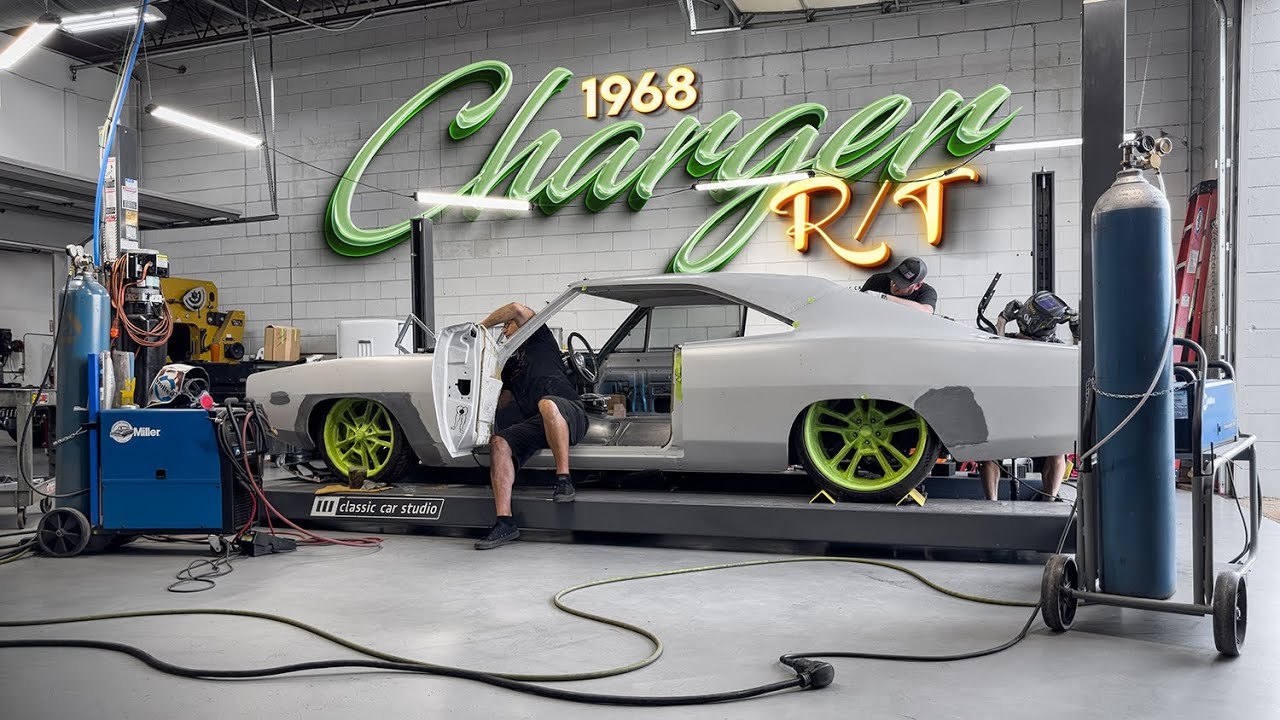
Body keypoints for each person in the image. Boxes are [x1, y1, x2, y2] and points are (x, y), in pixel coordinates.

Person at [473, 302, 588, 550]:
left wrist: (479, 329)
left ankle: (564, 480)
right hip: (539, 423)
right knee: (499, 443)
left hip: (569, 413)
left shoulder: (538, 338)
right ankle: (504, 522)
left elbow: (516, 308)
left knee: (547, 404)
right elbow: (500, 402)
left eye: (507, 325)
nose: (504, 330)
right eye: (503, 327)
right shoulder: (508, 365)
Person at [979, 293, 1079, 502]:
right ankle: (991, 503)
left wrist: (1078, 335)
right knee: (987, 448)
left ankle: (1049, 502)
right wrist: (1001, 321)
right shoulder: (1005, 341)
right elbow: (992, 355)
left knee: (1058, 448)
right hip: (1006, 417)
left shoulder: (1056, 347)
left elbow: (1077, 364)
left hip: (1041, 419)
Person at [860, 256, 937, 314]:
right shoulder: (877, 280)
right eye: (894, 279)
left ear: (917, 286)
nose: (894, 286)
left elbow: (927, 311)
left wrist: (883, 297)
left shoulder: (927, 292)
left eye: (901, 284)